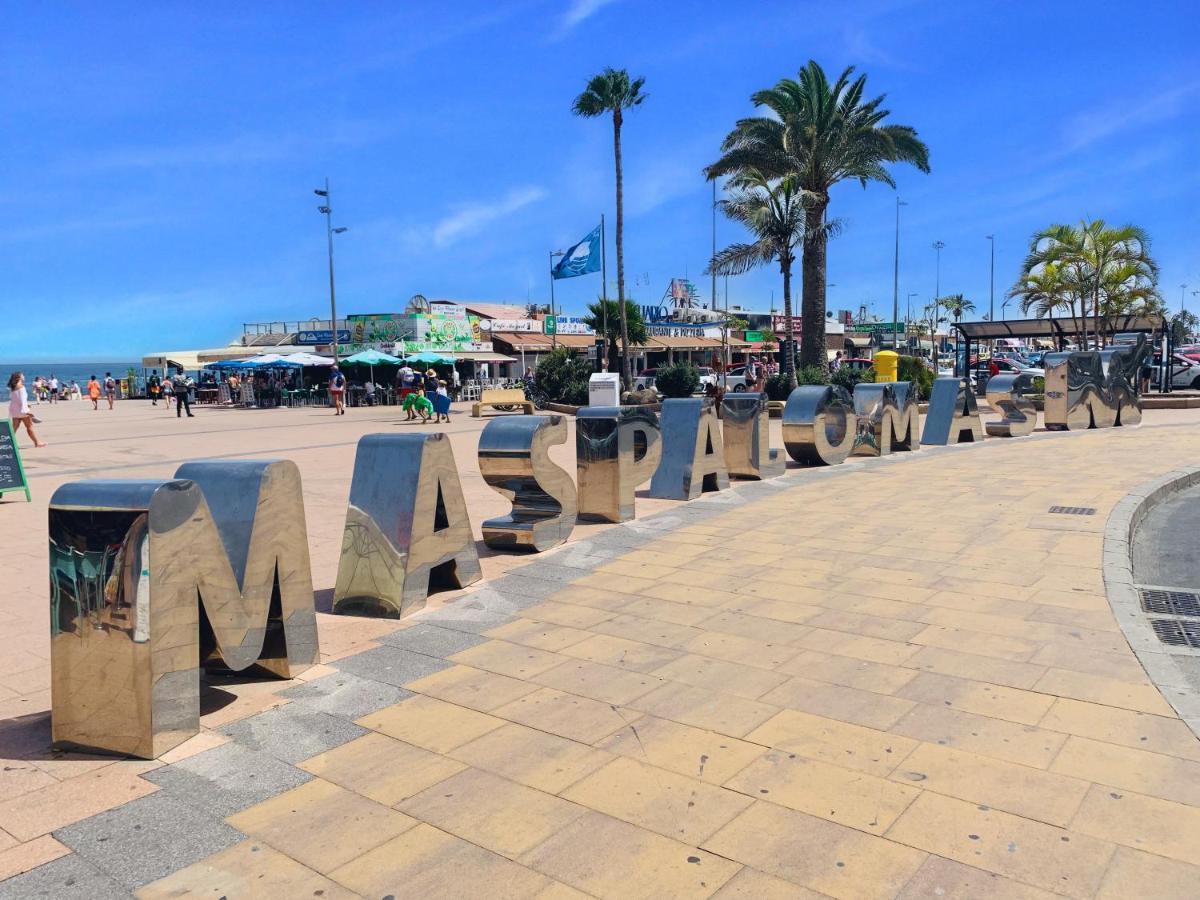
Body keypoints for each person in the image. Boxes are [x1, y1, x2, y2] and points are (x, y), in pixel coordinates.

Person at [7, 372, 46, 448]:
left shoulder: (13, 388)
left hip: (15, 411)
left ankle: (6, 443)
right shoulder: (21, 387)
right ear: (19, 378)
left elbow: (14, 400)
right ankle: (37, 443)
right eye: (22, 375)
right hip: (23, 411)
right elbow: (22, 401)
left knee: (14, 429)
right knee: (29, 427)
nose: (24, 376)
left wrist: (25, 405)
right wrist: (28, 411)